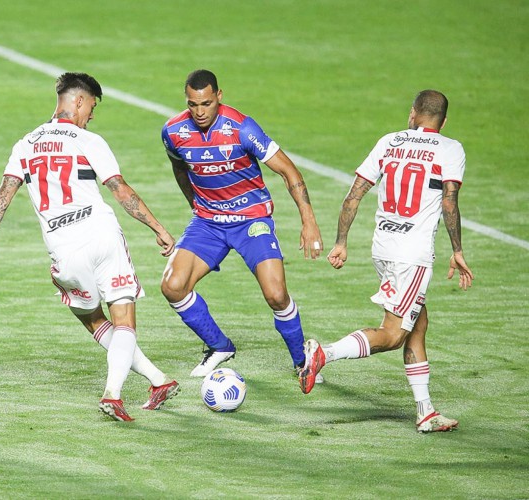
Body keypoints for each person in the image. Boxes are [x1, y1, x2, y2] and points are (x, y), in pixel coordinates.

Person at [0, 72, 179, 422]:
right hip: (100, 232)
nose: (92, 116)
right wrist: (157, 227)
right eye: (92, 107)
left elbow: (3, 195)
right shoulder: (88, 139)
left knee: (91, 318)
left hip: (62, 247)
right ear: (80, 101)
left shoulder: (26, 143)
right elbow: (120, 189)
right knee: (123, 316)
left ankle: (157, 380)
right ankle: (113, 394)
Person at [299, 90, 474, 433]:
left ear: (412, 114)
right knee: (394, 334)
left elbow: (354, 194)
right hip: (413, 255)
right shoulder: (451, 149)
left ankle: (425, 411)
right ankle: (324, 354)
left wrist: (341, 242)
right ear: (444, 121)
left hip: (383, 247)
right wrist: (457, 249)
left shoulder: (389, 142)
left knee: (418, 324)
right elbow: (449, 202)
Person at [160, 69, 323, 378]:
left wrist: (309, 221)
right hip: (208, 222)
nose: (199, 112)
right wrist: (195, 205)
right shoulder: (173, 131)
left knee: (276, 295)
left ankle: (303, 361)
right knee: (172, 286)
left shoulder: (242, 129)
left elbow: (289, 172)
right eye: (192, 104)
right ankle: (220, 346)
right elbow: (179, 168)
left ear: (219, 97)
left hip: (251, 220)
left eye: (206, 103)